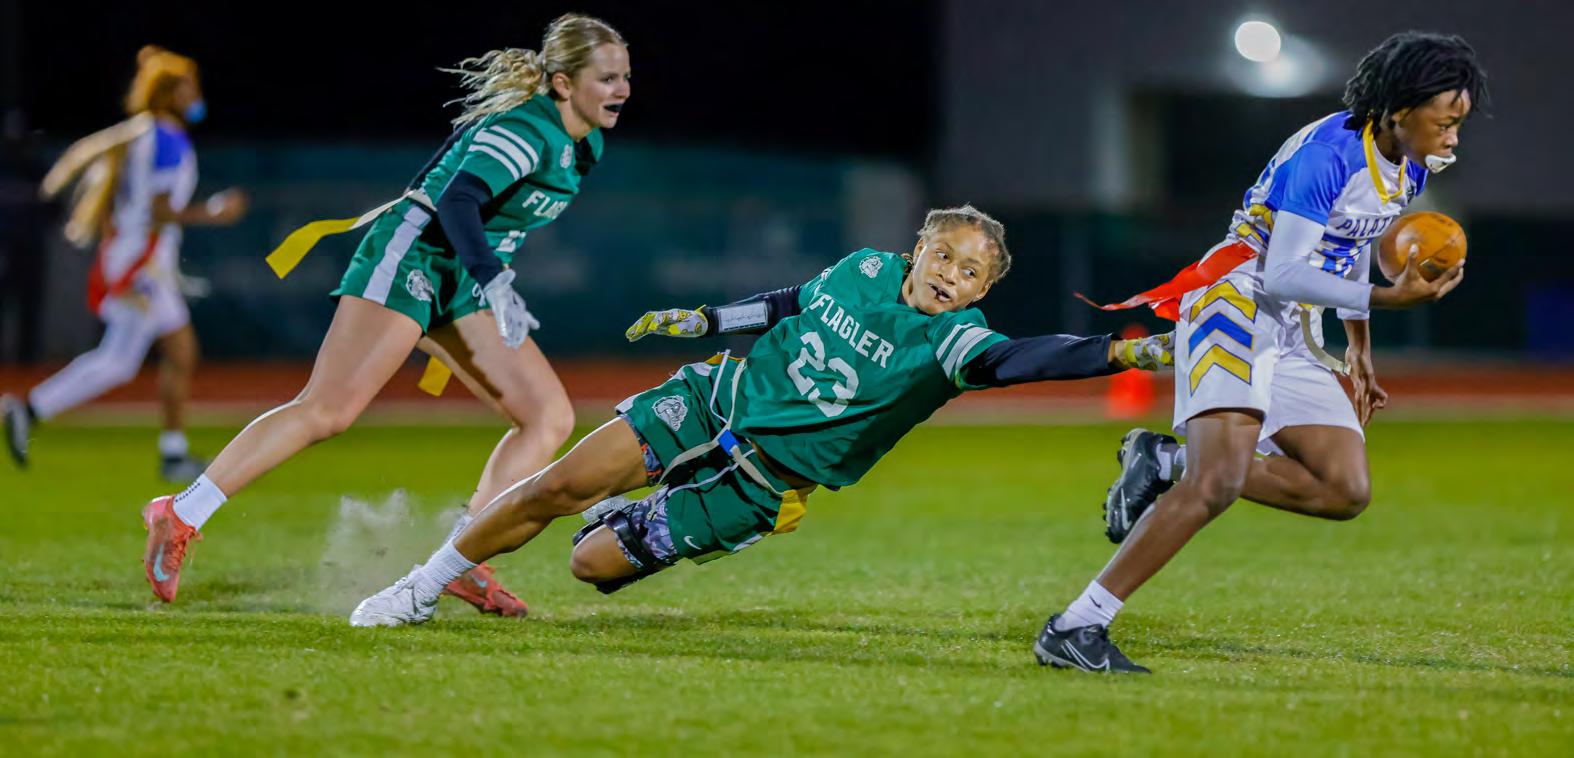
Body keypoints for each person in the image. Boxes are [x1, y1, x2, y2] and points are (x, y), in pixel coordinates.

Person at [347, 205, 1176, 627]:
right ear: (917, 247)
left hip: (764, 484)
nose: (951, 276)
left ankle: (639, 515)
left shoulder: (956, 341)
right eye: (945, 255)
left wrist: (1122, 352)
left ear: (983, 291)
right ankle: (420, 587)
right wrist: (707, 320)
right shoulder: (862, 268)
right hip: (717, 399)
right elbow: (788, 302)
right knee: (557, 485)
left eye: (971, 273)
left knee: (589, 566)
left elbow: (1026, 358)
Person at [136, 13, 632, 613]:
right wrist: (492, 276)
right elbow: (457, 200)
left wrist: (485, 274)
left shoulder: (586, 143)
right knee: (328, 409)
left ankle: (460, 558)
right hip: (415, 253)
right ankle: (180, 512)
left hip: (464, 277)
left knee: (547, 416)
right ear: (562, 82)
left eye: (625, 76)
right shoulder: (527, 129)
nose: (622, 89)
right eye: (607, 78)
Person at [1037, 31, 1486, 674]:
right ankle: (1076, 625)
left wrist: (1360, 347)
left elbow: (1353, 243)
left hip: (1294, 322)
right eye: (1445, 122)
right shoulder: (1329, 155)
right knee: (1214, 485)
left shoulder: (1410, 163)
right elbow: (1282, 272)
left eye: (1458, 123)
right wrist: (1388, 299)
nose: (1453, 137)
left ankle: (1164, 459)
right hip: (1236, 301)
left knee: (1343, 488)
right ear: (1399, 111)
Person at [2, 46, 248, 482]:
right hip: (142, 263)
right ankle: (31, 409)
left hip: (136, 257)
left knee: (159, 354)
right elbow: (158, 210)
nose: (196, 95)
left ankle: (170, 452)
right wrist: (215, 212)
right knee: (136, 358)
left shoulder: (142, 135)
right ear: (170, 94)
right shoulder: (167, 139)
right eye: (188, 88)